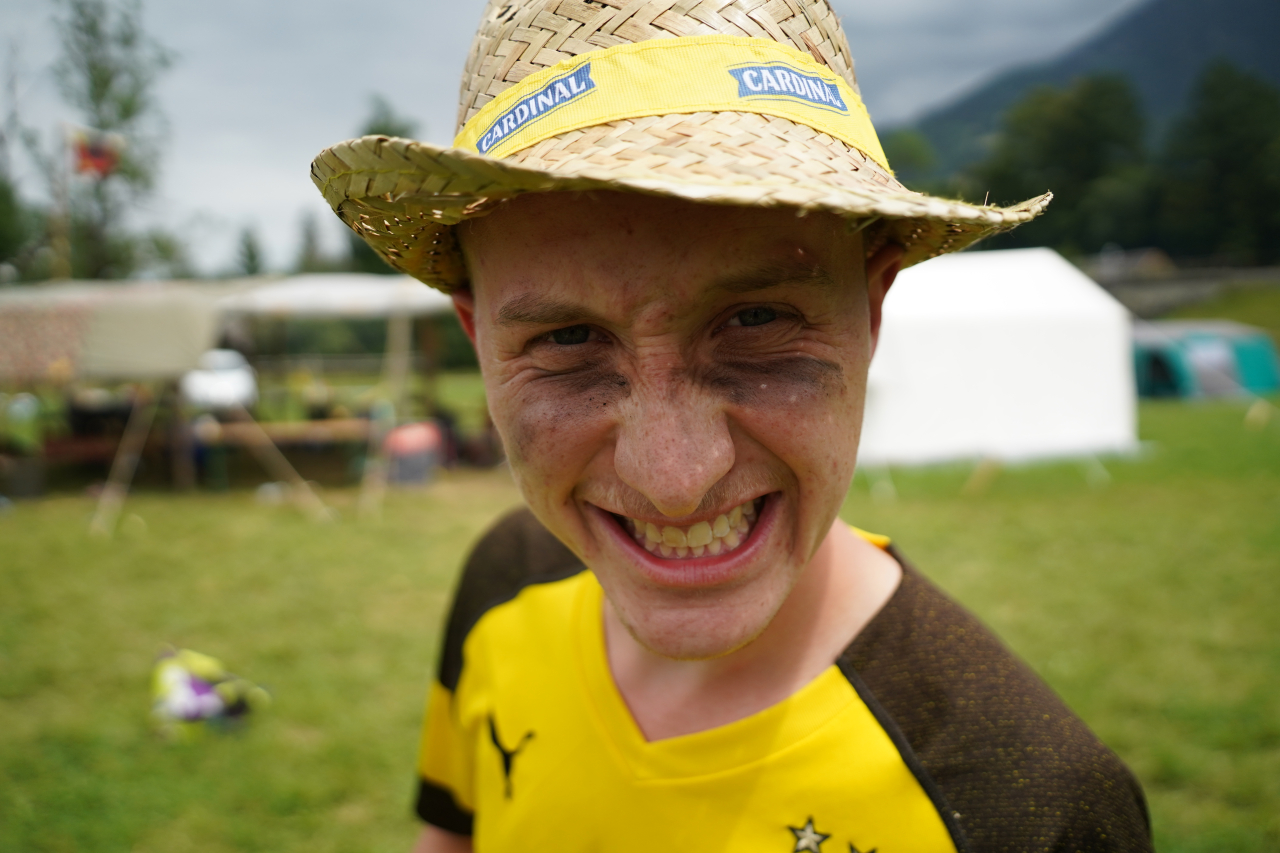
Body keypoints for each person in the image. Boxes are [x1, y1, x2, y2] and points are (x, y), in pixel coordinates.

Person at [312, 2, 1152, 851]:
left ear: (870, 312)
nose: (674, 478)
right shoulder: (508, 577)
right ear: (478, 342)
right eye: (567, 340)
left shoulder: (1030, 810)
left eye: (756, 321)